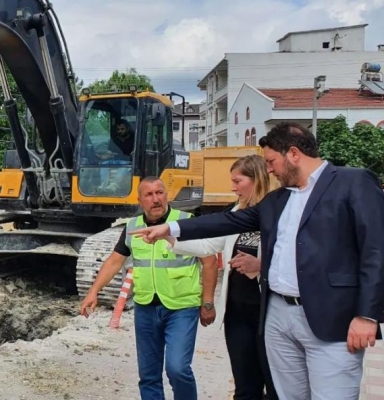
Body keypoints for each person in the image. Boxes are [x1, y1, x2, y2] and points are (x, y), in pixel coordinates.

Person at [130, 122, 384, 400]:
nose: (270, 170)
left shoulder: (353, 181)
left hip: (330, 319)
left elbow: (376, 249)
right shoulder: (277, 200)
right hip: (277, 316)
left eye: (272, 161)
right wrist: (170, 229)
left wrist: (367, 315)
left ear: (294, 154)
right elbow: (227, 221)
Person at [80, 176, 218, 400]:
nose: (156, 199)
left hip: (182, 308)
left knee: (178, 369)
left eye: (160, 193)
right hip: (145, 308)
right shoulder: (132, 227)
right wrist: (93, 291)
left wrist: (208, 302)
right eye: (149, 195)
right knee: (149, 375)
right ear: (139, 200)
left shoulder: (186, 222)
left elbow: (209, 261)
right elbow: (115, 260)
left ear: (167, 195)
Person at [165, 154, 279, 400]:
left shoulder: (277, 213)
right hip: (238, 313)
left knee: (276, 386)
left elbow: (295, 259)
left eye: (238, 181)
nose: (232, 187)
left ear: (256, 179)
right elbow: (209, 245)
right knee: (245, 387)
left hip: (269, 314)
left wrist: (260, 265)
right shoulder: (236, 212)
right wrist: (170, 239)